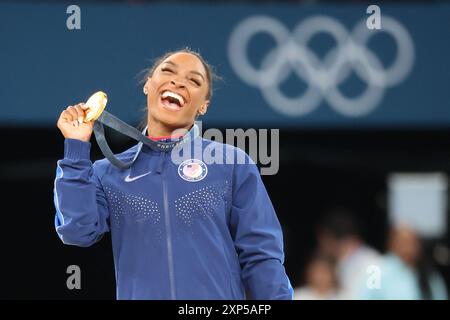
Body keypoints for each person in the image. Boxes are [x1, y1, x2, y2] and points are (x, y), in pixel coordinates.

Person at [53, 48, 293, 300]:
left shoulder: (231, 163)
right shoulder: (108, 172)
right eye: (168, 71)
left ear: (203, 105)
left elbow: (262, 256)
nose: (178, 81)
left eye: (194, 80)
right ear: (148, 85)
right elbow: (76, 231)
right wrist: (76, 148)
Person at [359, 225, 448, 300]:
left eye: (412, 242)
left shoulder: (429, 274)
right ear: (392, 243)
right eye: (403, 242)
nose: (408, 248)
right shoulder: (377, 270)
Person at [316, 208, 380, 299]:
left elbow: (375, 295)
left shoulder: (372, 262)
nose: (321, 246)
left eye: (322, 239)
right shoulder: (338, 262)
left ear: (329, 238)